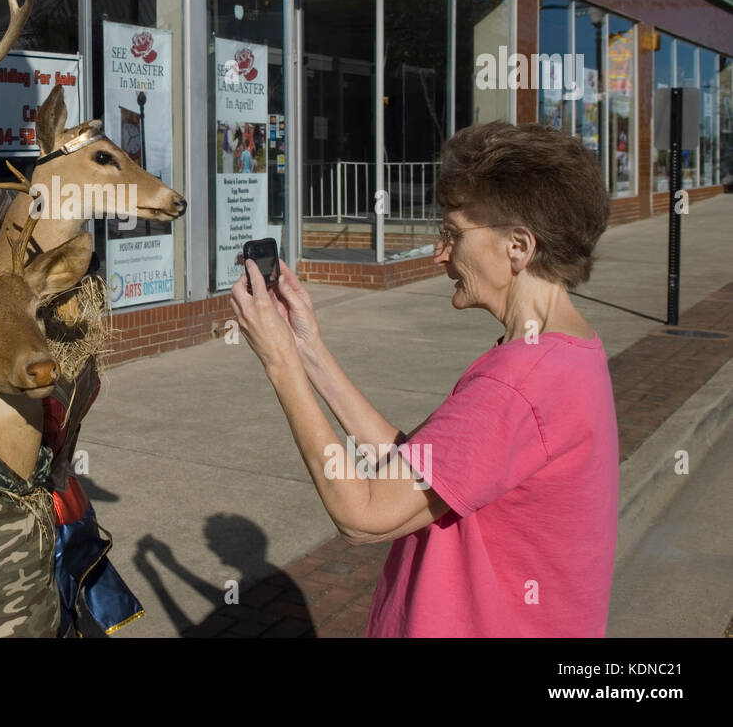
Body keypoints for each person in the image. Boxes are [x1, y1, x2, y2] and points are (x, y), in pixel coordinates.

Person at [229, 121, 617, 637]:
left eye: (453, 234)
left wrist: (278, 363)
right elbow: (426, 468)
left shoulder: (520, 383)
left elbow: (364, 514)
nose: (440, 254)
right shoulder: (566, 352)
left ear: (518, 247)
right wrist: (307, 348)